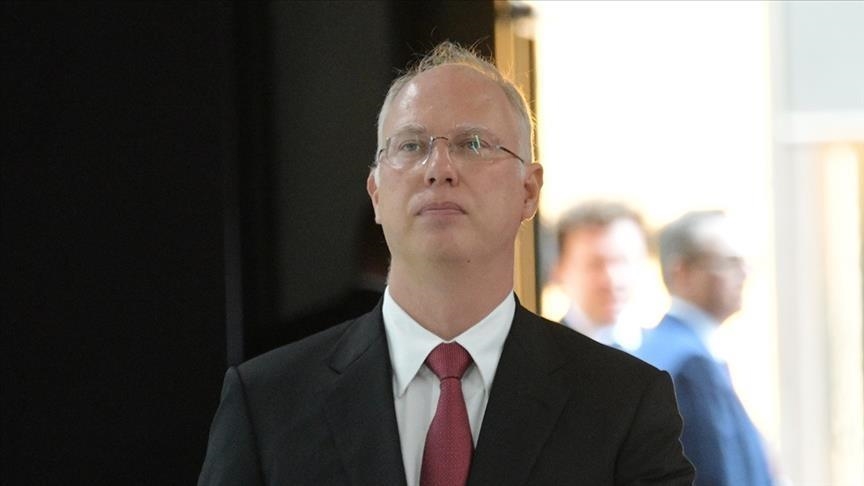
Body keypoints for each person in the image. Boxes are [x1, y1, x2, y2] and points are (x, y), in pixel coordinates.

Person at [198, 41, 694, 485]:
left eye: (472, 144)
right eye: (411, 146)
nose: (439, 169)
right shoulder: (268, 401)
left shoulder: (623, 403)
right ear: (376, 193)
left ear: (529, 190)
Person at [635, 210, 774, 486]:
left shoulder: (665, 351)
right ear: (682, 272)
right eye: (729, 262)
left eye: (745, 262)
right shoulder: (689, 366)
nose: (744, 274)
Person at [552, 201, 649, 349]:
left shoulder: (670, 356)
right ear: (559, 271)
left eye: (623, 261)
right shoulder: (537, 354)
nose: (612, 280)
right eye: (595, 265)